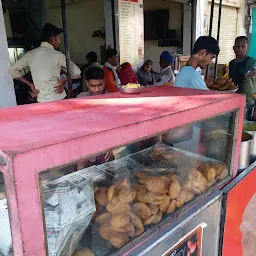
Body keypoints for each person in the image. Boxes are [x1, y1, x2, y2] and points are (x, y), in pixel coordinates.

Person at [9, 23, 81, 102]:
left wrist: (30, 84)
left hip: (42, 100)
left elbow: (12, 69)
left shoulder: (30, 54)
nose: (59, 41)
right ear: (53, 38)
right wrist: (64, 80)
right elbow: (77, 72)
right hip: (59, 97)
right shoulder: (58, 55)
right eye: (59, 38)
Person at [229, 36, 256, 103]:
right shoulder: (231, 63)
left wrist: (252, 71)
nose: (240, 49)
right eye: (237, 46)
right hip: (233, 97)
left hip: (248, 99)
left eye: (243, 46)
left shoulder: (252, 61)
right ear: (233, 48)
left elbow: (254, 68)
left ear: (247, 48)